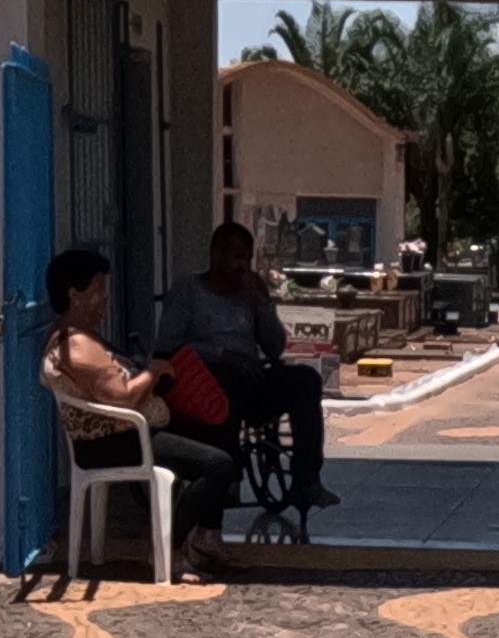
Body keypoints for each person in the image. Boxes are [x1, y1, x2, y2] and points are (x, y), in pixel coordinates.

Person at [43, 243, 239, 567]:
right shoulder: (75, 344)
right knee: (218, 465)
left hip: (127, 431)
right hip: (116, 442)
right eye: (98, 289)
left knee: (216, 433)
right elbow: (122, 396)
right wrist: (154, 370)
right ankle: (167, 549)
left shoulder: (77, 336)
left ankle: (197, 536)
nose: (105, 298)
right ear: (74, 294)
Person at [170, 220, 332, 510]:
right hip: (204, 386)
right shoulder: (189, 290)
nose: (242, 266)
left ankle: (306, 479)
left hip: (249, 382)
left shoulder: (248, 293)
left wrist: (263, 306)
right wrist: (221, 354)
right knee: (228, 376)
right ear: (216, 255)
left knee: (305, 380)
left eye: (246, 258)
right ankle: (229, 473)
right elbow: (169, 345)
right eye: (235, 257)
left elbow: (275, 348)